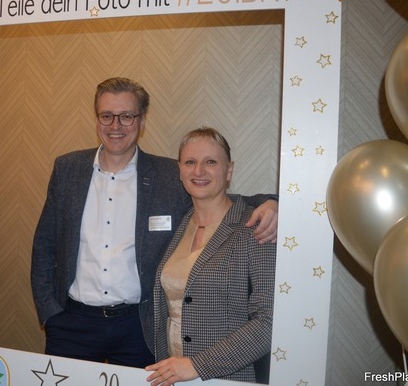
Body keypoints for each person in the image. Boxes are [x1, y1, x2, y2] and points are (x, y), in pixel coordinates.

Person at [31, 77, 278, 368]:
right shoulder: (67, 168)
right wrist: (50, 312)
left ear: (142, 121)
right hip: (72, 323)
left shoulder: (168, 175)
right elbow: (44, 243)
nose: (115, 125)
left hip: (139, 328)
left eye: (127, 116)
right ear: (97, 119)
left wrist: (273, 202)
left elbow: (217, 195)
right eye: (106, 115)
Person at [145, 127, 276, 385]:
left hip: (229, 377)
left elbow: (269, 322)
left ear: (229, 170)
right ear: (180, 170)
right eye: (190, 162)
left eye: (211, 162)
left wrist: (197, 365)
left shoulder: (256, 227)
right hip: (171, 375)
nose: (199, 171)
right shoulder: (179, 224)